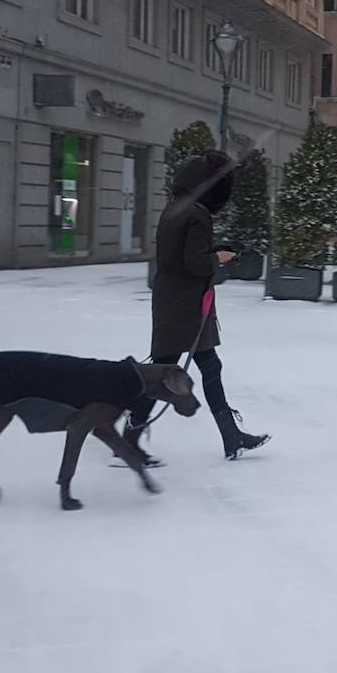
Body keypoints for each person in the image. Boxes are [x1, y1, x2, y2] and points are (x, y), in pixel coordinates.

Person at [124, 150, 269, 463]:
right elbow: (194, 263)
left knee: (196, 368)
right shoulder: (199, 214)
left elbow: (180, 255)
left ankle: (231, 437)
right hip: (188, 307)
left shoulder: (175, 208)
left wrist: (214, 251)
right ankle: (129, 439)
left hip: (172, 301)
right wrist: (221, 257)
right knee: (165, 373)